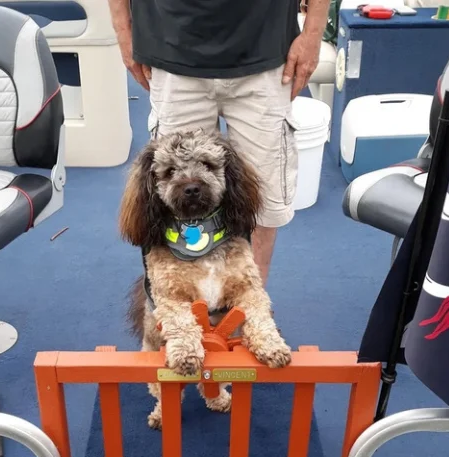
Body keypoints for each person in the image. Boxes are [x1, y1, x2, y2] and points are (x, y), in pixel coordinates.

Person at [107, 0, 329, 286]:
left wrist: (313, 33)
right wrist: (123, 30)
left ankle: (246, 301)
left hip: (266, 46)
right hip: (170, 46)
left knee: (264, 203)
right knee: (175, 195)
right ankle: (189, 304)